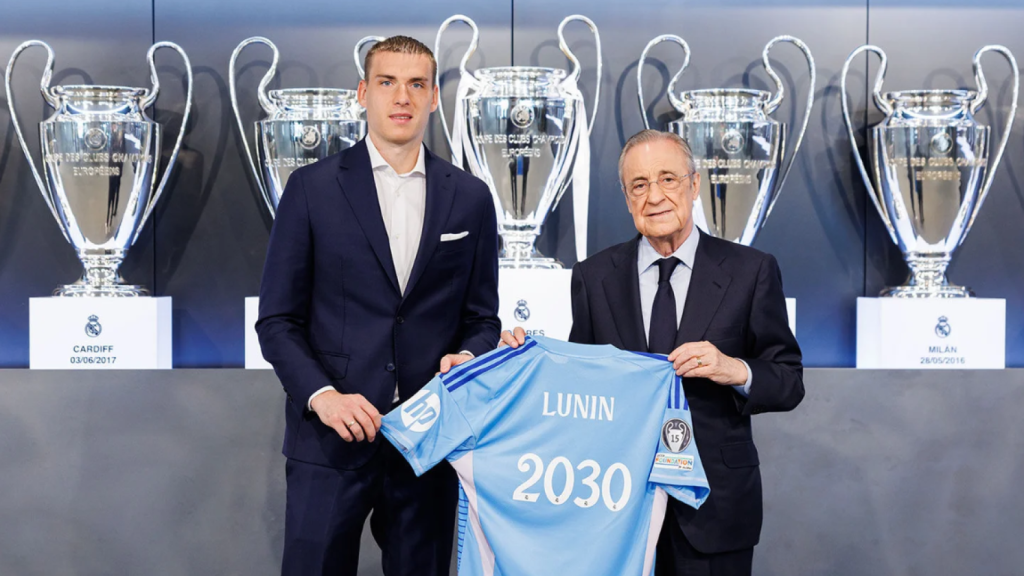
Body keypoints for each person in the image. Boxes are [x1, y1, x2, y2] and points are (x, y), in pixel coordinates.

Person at [501, 129, 804, 576]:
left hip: (714, 508)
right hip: (616, 506)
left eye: (668, 179)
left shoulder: (751, 270)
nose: (655, 196)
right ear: (626, 198)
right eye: (639, 185)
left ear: (694, 185)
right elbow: (581, 386)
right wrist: (526, 362)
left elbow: (788, 380)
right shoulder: (593, 276)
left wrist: (733, 368)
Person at [256, 35, 500, 576]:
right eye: (387, 82)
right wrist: (324, 398)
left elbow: (482, 318)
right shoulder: (310, 189)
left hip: (427, 441)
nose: (402, 97)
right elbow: (277, 321)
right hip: (330, 438)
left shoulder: (471, 197)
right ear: (363, 93)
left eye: (416, 84)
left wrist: (468, 356)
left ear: (435, 97)